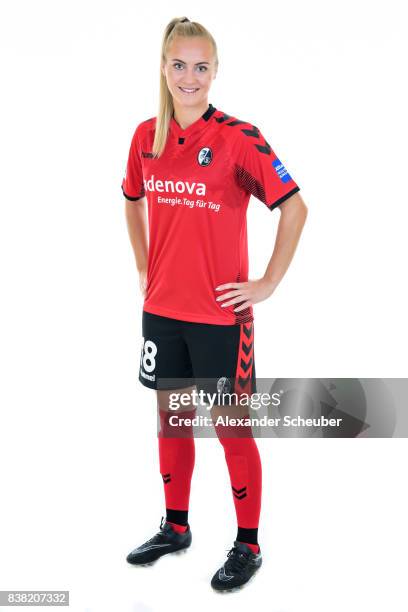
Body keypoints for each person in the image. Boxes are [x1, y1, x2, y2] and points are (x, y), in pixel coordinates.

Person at [121, 16, 307, 592]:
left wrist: (267, 282)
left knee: (231, 429)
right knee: (171, 421)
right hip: (163, 311)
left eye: (201, 66)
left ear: (215, 70)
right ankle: (175, 528)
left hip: (222, 318)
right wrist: (143, 265)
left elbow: (295, 207)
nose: (189, 77)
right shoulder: (145, 136)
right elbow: (132, 201)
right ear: (163, 67)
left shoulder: (237, 139)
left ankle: (248, 543)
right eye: (179, 65)